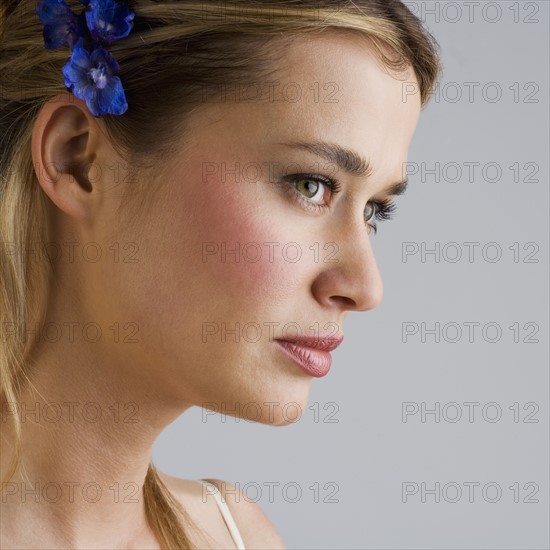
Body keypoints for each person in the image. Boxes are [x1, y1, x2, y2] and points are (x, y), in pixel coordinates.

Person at [0, 1, 442, 548]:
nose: (366, 288)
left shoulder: (236, 536)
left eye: (375, 210)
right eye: (310, 184)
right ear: (79, 160)